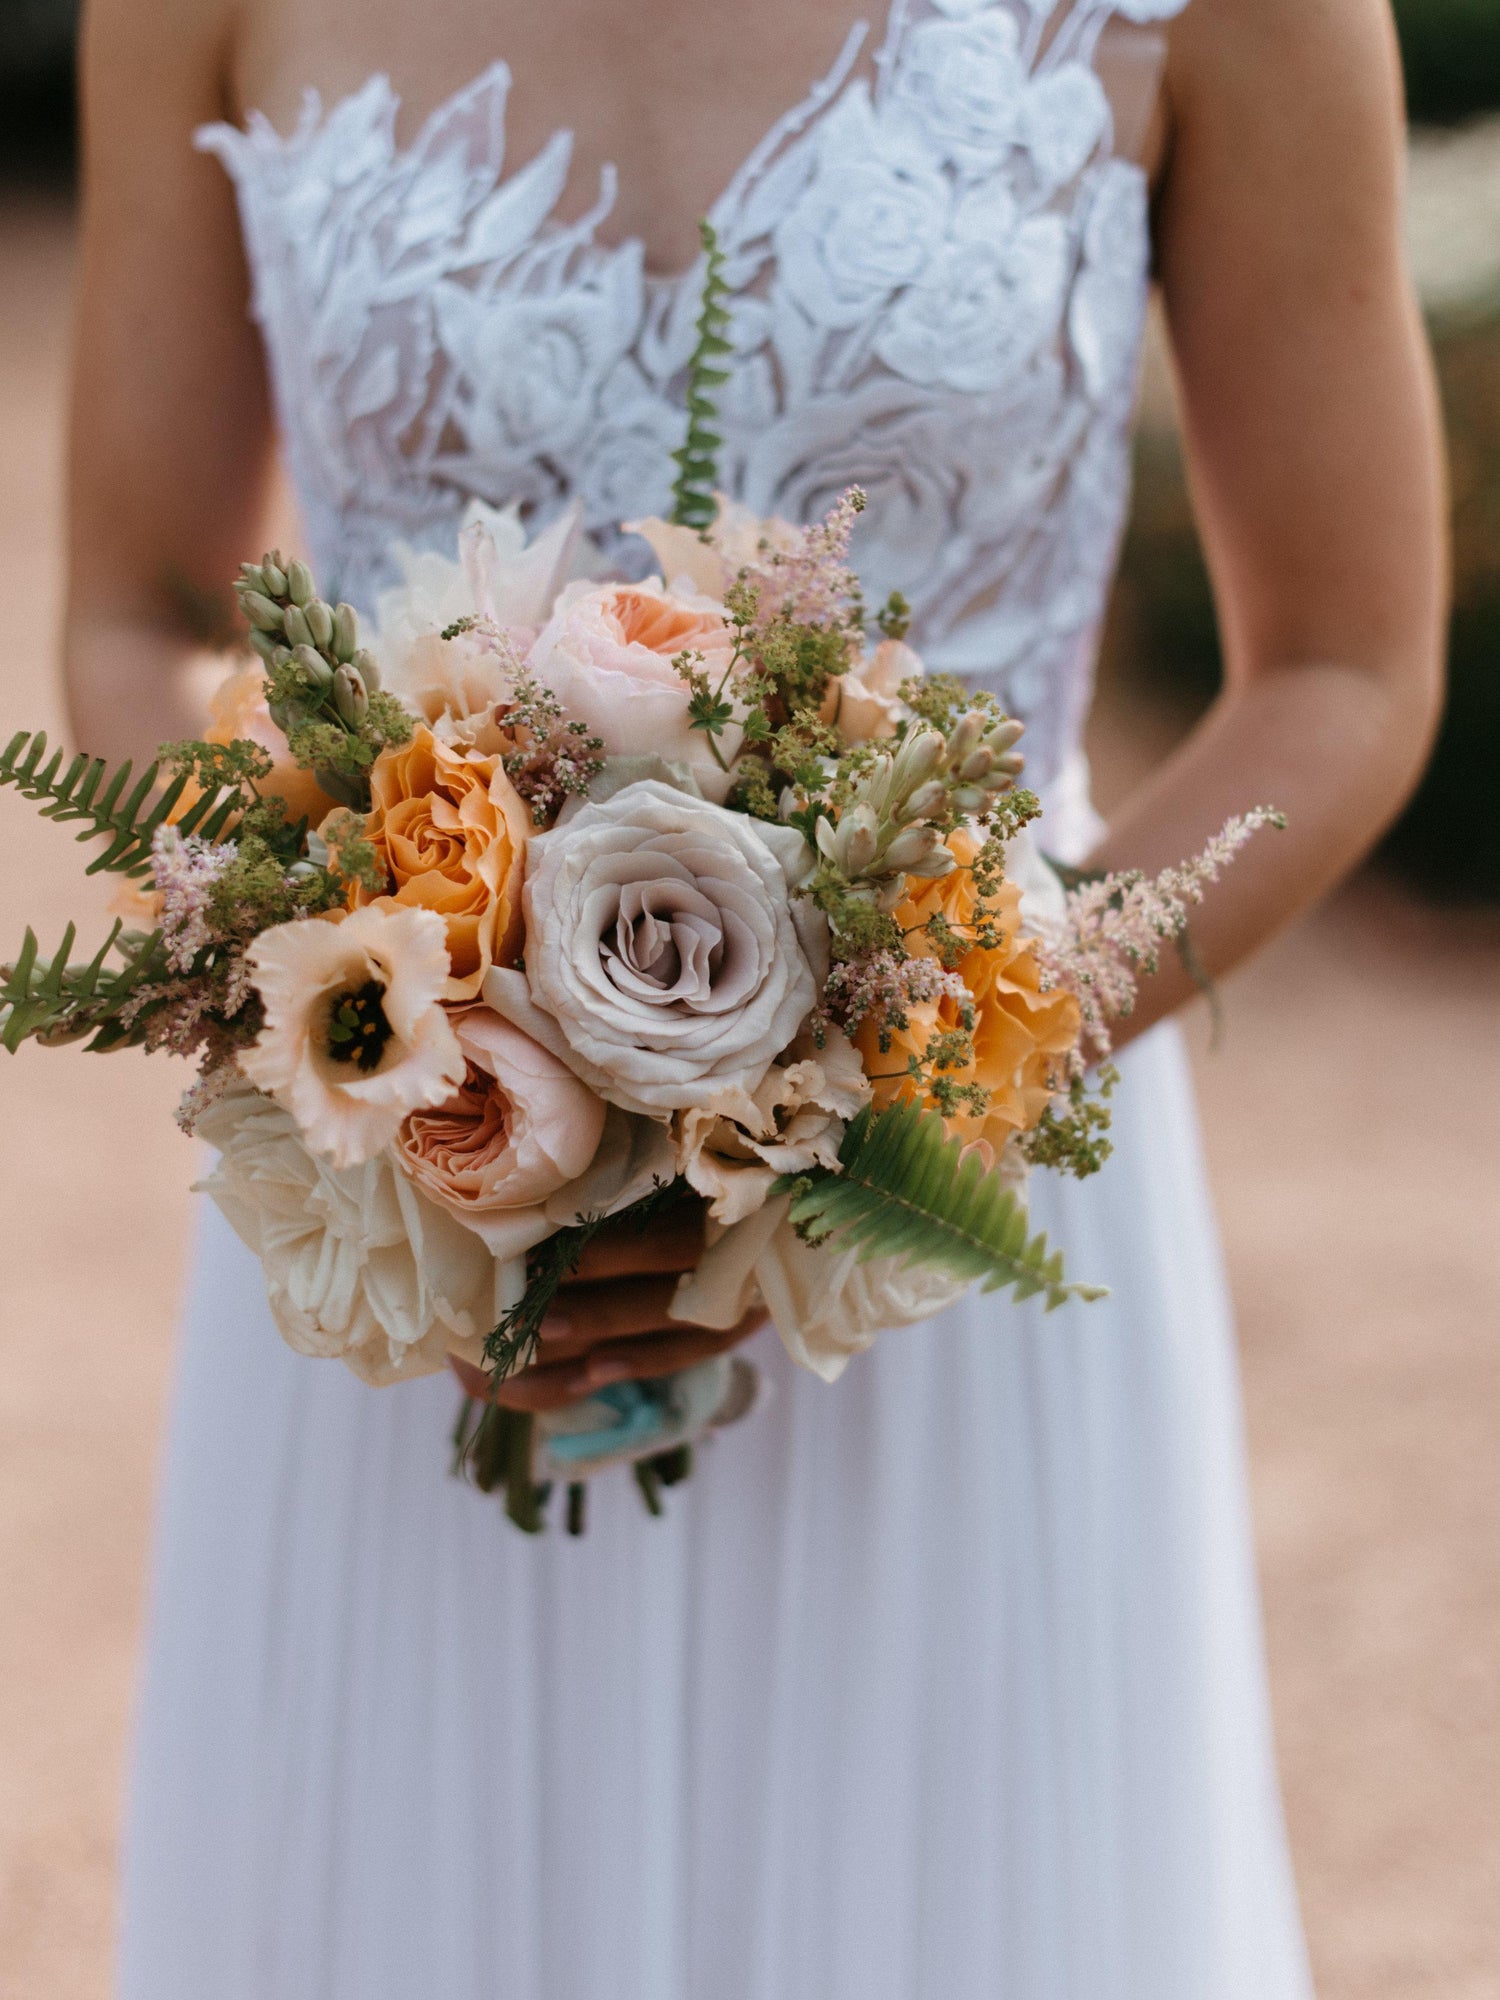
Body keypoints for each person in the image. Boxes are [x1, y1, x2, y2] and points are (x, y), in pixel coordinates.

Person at [66, 0, 1444, 1992]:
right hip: (415, 1248)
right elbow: (133, 616)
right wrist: (405, 1039)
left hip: (947, 1237)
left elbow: (1342, 664)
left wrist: (896, 1084)